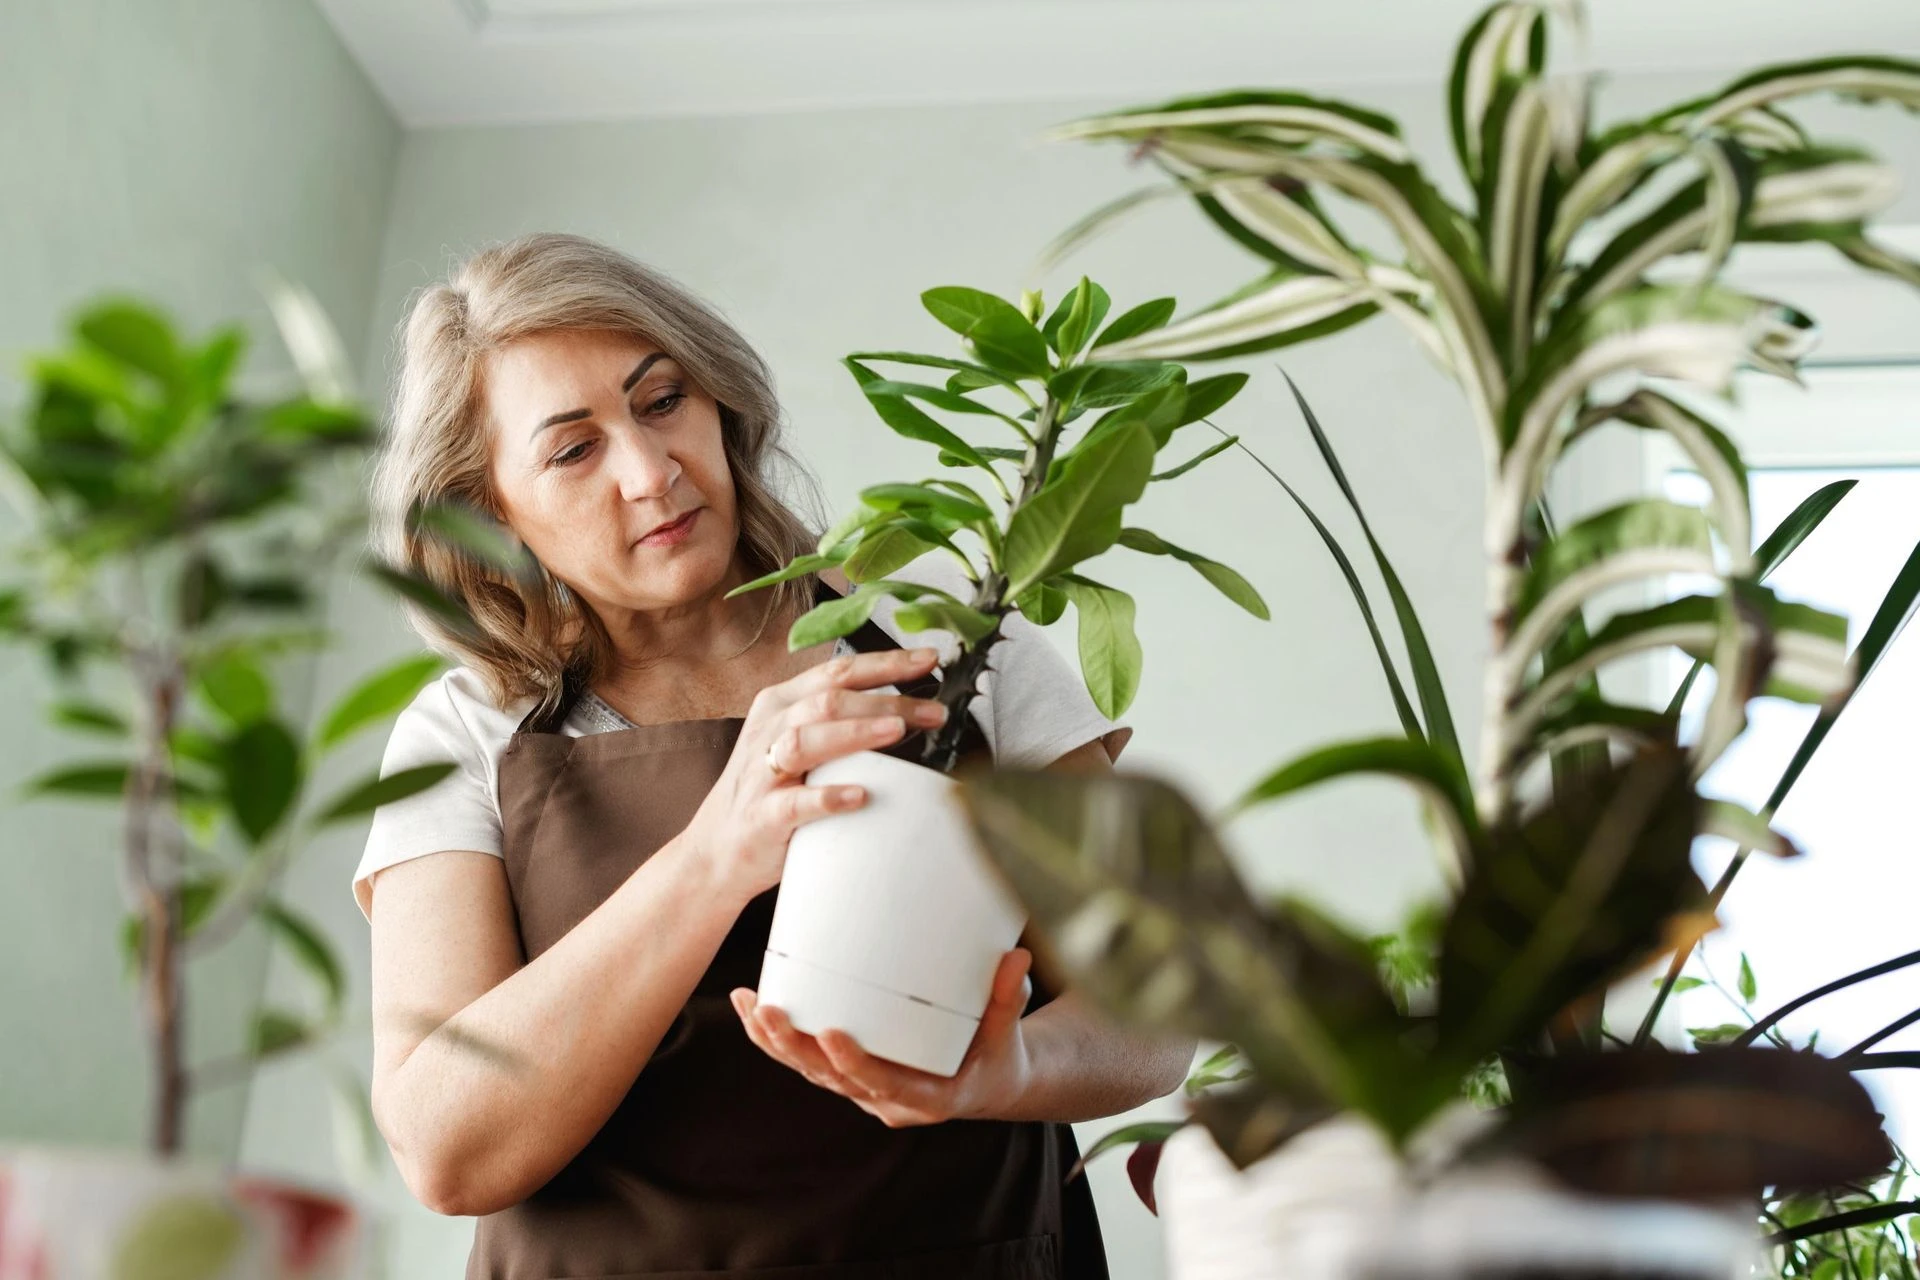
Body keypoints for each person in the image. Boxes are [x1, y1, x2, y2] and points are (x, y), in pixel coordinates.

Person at [353, 232, 1194, 1279]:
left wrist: (1005, 1073)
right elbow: (447, 1147)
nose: (652, 471)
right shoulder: (466, 729)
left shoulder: (960, 638)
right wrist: (719, 848)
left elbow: (1157, 1009)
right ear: (490, 511)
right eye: (574, 449)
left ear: (719, 399)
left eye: (662, 401)